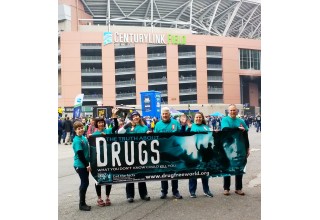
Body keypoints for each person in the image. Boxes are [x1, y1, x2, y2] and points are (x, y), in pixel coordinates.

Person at [91, 107, 119, 207]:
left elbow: (116, 127)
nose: (101, 124)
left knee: (108, 178)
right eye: (99, 123)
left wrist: (114, 115)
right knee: (98, 179)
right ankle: (99, 198)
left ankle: (107, 197)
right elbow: (92, 149)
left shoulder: (108, 131)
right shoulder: (94, 134)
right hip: (98, 160)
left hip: (109, 158)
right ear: (96, 124)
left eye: (102, 122)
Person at [154, 107, 183, 199]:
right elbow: (155, 138)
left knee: (174, 172)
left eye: (166, 114)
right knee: (164, 172)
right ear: (161, 115)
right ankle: (164, 191)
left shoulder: (175, 123)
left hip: (174, 151)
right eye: (163, 114)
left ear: (169, 114)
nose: (165, 115)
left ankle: (175, 191)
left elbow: (181, 135)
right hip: (163, 151)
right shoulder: (158, 125)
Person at [221, 104, 250, 196]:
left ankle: (238, 188)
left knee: (239, 167)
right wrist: (237, 129)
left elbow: (245, 135)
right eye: (231, 110)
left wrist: (248, 148)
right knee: (227, 167)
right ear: (228, 111)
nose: (233, 112)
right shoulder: (225, 119)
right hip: (228, 148)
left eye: (234, 110)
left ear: (237, 111)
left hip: (240, 147)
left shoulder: (241, 121)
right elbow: (225, 130)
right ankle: (226, 188)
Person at [124, 111, 151, 203]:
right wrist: (127, 125)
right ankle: (130, 195)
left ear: (139, 117)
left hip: (141, 154)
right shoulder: (128, 128)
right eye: (134, 116)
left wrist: (148, 134)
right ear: (131, 118)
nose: (135, 117)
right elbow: (119, 133)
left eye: (137, 116)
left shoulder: (144, 127)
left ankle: (143, 194)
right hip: (129, 154)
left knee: (141, 174)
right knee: (130, 175)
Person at [188, 112, 214, 198]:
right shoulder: (191, 127)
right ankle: (192, 191)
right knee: (193, 172)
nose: (198, 119)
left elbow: (211, 138)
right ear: (194, 118)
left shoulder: (206, 127)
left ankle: (206, 190)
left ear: (202, 118)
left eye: (200, 117)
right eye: (196, 117)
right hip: (193, 152)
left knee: (205, 172)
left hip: (204, 153)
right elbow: (184, 136)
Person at [72, 120, 91, 211]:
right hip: (80, 165)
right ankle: (82, 204)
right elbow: (80, 154)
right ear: (75, 130)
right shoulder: (76, 141)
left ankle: (83, 202)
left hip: (84, 164)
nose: (80, 130)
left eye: (81, 128)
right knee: (85, 183)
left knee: (84, 183)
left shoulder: (83, 137)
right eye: (78, 129)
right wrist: (87, 165)